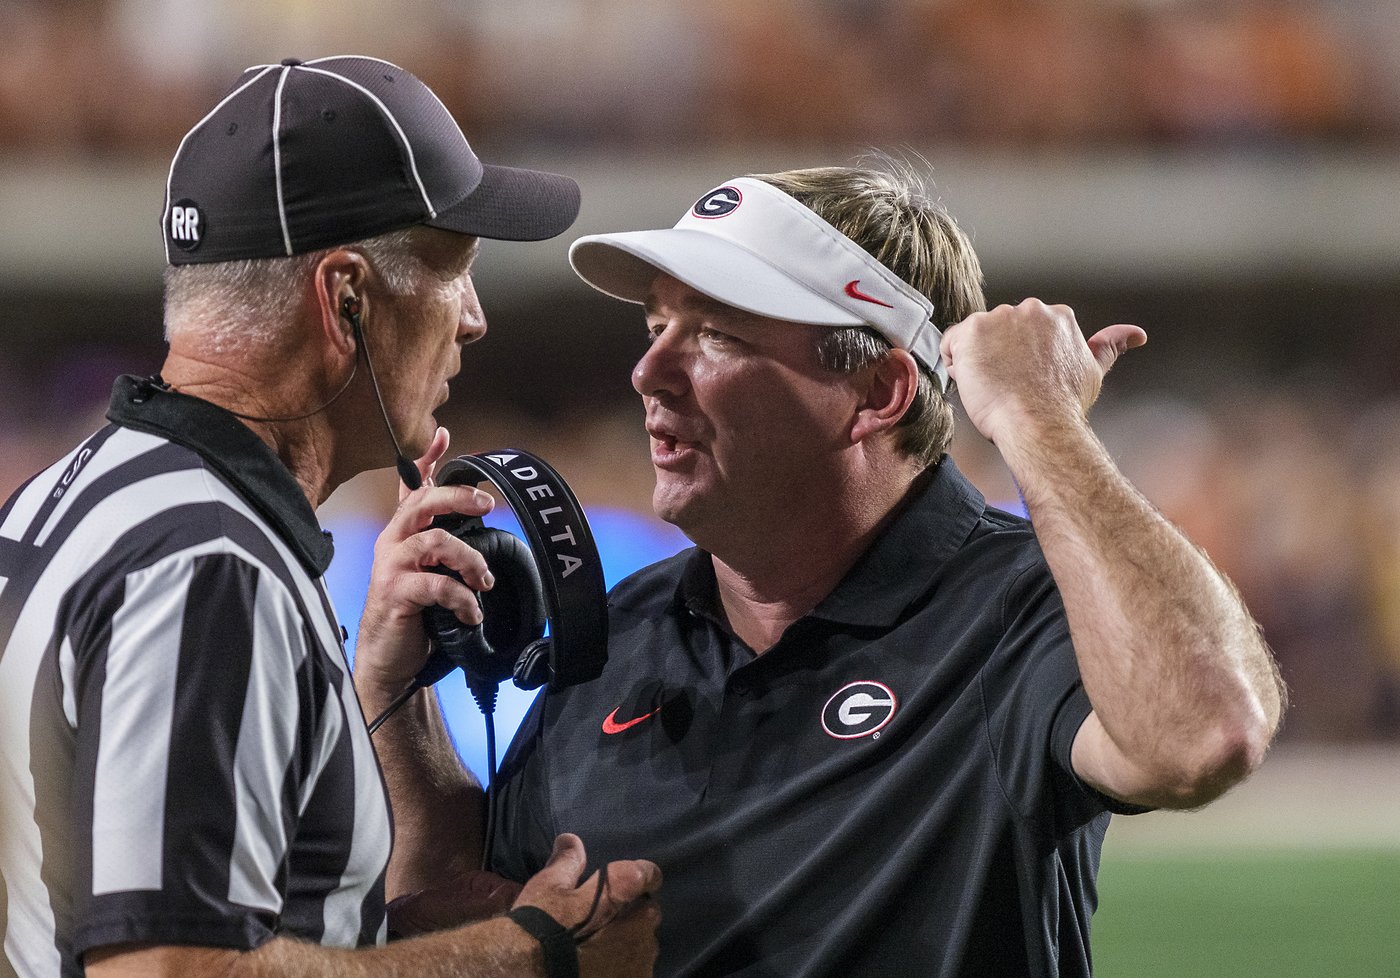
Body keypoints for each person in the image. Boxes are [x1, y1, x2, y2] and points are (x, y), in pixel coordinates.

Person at [486, 163, 1287, 976]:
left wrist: (1038, 418)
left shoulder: (1017, 606)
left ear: (878, 391)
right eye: (654, 327)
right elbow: (474, 912)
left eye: (717, 334)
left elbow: (1204, 736)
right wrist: (391, 696)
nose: (649, 372)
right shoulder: (618, 631)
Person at [0, 56, 660, 978]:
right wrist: (523, 953)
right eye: (452, 269)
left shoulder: (71, 499)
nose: (472, 318)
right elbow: (166, 970)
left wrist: (393, 928)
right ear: (346, 297)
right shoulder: (205, 563)